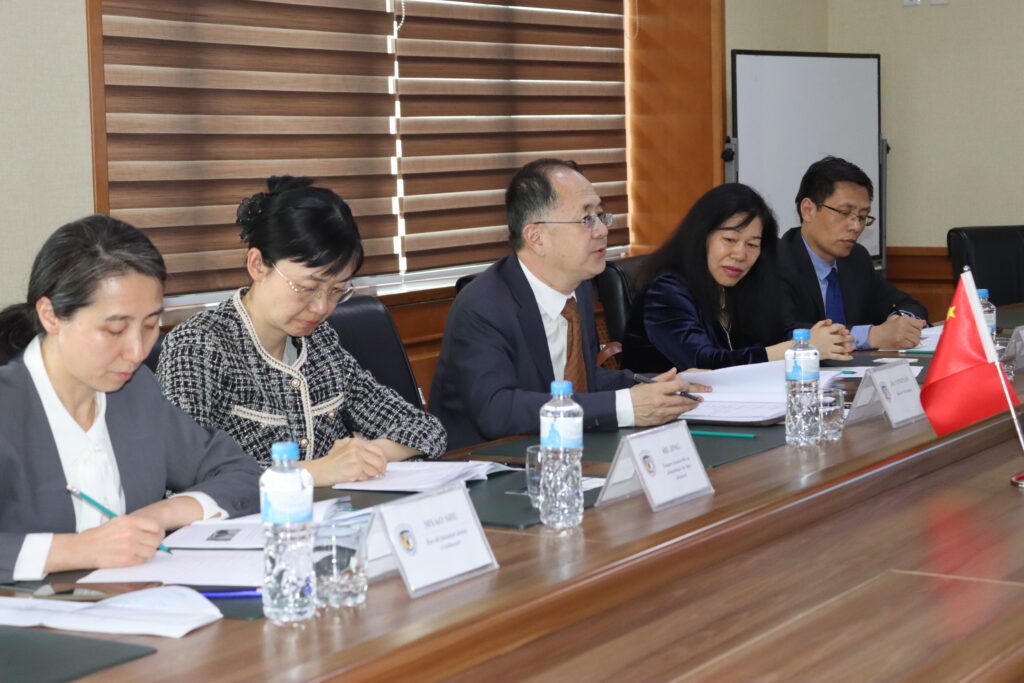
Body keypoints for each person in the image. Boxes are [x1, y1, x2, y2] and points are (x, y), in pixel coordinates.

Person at [0, 215, 261, 583]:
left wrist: (159, 515)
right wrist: (77, 549)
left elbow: (242, 473)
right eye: (115, 329)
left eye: (150, 325)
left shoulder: (136, 391)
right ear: (51, 315)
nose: (137, 351)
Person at [158, 176, 446, 485]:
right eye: (307, 288)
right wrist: (317, 471)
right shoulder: (198, 347)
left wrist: (365, 456)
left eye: (337, 291)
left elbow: (424, 429)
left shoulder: (320, 344)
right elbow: (183, 472)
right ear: (257, 265)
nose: (321, 308)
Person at [430, 158, 709, 450]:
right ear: (536, 237)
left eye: (601, 216)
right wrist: (625, 406)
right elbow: (497, 411)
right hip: (488, 462)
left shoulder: (579, 289)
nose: (602, 231)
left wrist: (662, 384)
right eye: (586, 219)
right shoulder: (482, 306)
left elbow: (584, 382)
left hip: (563, 452)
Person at [621, 184, 854, 372]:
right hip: (666, 412)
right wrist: (800, 347)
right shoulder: (666, 289)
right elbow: (703, 361)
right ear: (701, 236)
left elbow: (776, 330)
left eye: (752, 245)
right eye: (729, 240)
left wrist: (822, 335)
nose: (740, 255)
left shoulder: (743, 284)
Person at [778, 156, 928, 349]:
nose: (856, 227)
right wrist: (869, 336)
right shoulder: (777, 260)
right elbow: (783, 333)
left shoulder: (856, 258)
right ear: (808, 210)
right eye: (844, 213)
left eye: (863, 217)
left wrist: (899, 322)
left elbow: (909, 305)